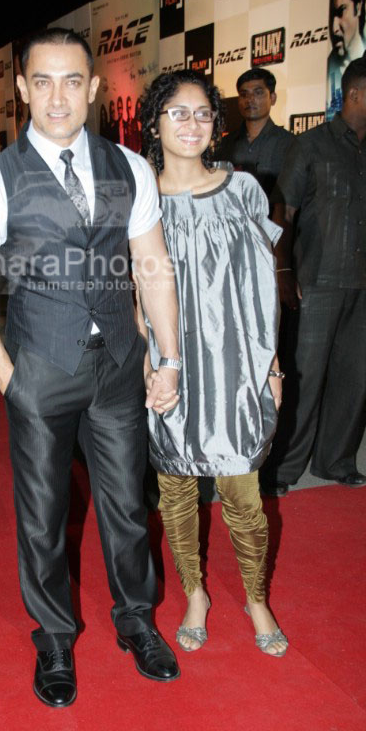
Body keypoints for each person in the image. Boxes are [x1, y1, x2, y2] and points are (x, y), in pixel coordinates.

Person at [0, 28, 182, 709]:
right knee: (44, 516)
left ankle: (136, 620)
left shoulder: (129, 168)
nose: (58, 96)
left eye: (72, 80)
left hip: (118, 367)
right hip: (40, 370)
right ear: (22, 90)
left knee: (128, 509)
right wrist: (9, 379)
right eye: (42, 82)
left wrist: (166, 356)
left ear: (94, 87)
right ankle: (53, 636)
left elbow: (153, 268)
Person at [138, 69, 288, 658]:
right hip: (170, 362)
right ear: (155, 122)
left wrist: (272, 368)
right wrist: (151, 362)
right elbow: (132, 288)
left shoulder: (244, 189)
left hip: (235, 365)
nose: (192, 124)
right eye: (178, 112)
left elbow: (263, 288)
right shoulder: (140, 199)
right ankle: (194, 593)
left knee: (242, 490)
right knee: (175, 487)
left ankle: (256, 598)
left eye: (202, 113)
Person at [261, 57, 366, 497]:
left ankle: (336, 460)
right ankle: (283, 469)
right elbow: (282, 212)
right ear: (358, 93)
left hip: (362, 285)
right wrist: (283, 269)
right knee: (302, 378)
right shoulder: (312, 146)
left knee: (355, 377)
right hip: (316, 280)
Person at [216, 68, 293, 204]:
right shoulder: (225, 144)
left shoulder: (290, 144)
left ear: (273, 98)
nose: (250, 99)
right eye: (244, 94)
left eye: (258, 93)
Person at [327, 0, 366, 112]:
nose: (334, 28)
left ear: (358, 7)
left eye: (342, 10)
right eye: (332, 15)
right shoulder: (330, 66)